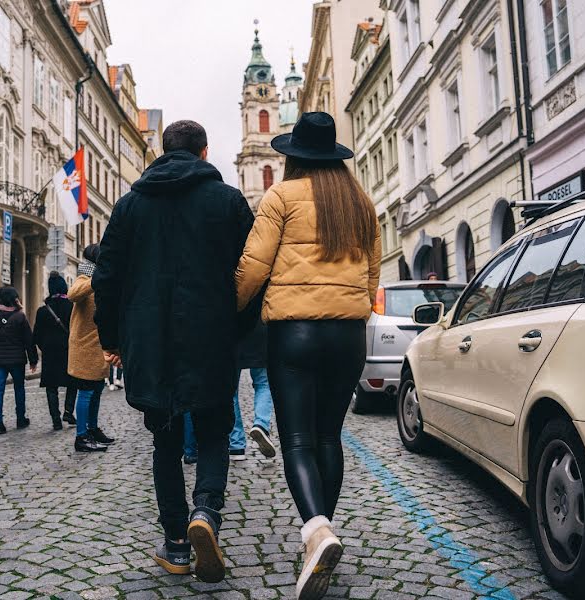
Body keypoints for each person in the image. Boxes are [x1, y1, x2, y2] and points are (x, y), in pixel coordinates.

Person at [92, 120, 256, 583]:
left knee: (164, 441)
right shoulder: (227, 201)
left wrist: (112, 339)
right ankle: (206, 510)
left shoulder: (128, 207)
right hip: (212, 336)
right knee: (213, 431)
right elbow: (251, 273)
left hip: (150, 341)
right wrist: (239, 329)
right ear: (204, 154)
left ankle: (177, 544)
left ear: (160, 154)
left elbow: (106, 278)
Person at [235, 112, 381, 600]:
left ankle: (316, 531)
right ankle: (322, 534)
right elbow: (372, 276)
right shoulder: (360, 203)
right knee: (328, 436)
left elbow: (253, 268)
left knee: (296, 440)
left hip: (294, 333)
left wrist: (230, 311)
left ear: (294, 156)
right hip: (348, 335)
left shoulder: (280, 197)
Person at [67, 244, 114, 452]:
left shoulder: (103, 282)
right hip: (85, 348)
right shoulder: (84, 279)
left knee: (96, 390)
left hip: (99, 347)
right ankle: (81, 436)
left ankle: (93, 429)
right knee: (86, 392)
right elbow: (73, 294)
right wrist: (97, 280)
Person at [0, 286, 38, 435]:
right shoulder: (20, 317)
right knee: (19, 388)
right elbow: (29, 340)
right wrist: (33, 359)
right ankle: (20, 419)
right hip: (17, 360)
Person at [34, 272, 76, 431]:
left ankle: (55, 420)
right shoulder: (72, 307)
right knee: (73, 382)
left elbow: (36, 335)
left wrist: (44, 347)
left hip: (50, 352)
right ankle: (68, 411)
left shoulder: (43, 310)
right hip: (68, 350)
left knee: (51, 387)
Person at [229, 321, 275, 460]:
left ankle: (236, 445)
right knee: (263, 383)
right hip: (260, 329)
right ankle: (261, 424)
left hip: (233, 331)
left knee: (231, 390)